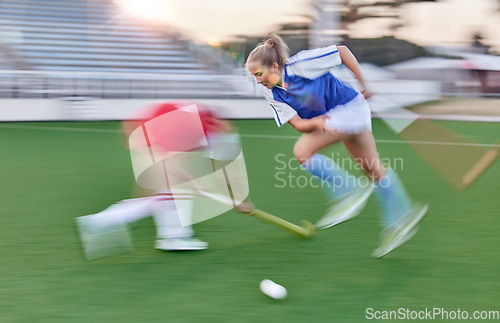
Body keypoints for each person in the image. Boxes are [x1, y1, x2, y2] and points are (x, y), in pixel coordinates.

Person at [246, 33, 428, 258]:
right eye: (253, 75)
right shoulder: (271, 92)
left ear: (274, 66)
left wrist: (364, 84)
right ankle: (401, 218)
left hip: (350, 107)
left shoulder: (302, 65)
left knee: (302, 151)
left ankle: (350, 191)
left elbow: (341, 51)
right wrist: (315, 122)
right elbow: (298, 124)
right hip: (339, 116)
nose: (257, 80)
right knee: (372, 169)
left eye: (258, 73)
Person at [76, 101, 252, 258]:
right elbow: (169, 163)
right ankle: (172, 236)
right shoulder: (192, 125)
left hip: (148, 128)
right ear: (222, 122)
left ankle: (173, 235)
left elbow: (227, 171)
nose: (227, 134)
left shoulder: (208, 127)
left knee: (164, 193)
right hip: (147, 134)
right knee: (165, 192)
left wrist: (241, 201)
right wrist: (196, 182)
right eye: (227, 128)